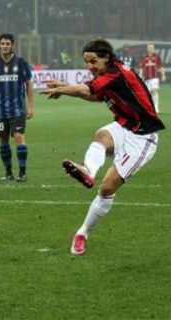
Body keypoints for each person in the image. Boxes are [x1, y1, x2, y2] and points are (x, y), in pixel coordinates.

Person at [40, 39, 165, 255]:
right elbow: (95, 95)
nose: (89, 66)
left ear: (106, 57)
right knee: (102, 135)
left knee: (107, 189)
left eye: (93, 61)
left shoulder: (116, 72)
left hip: (143, 137)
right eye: (87, 62)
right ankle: (88, 170)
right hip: (123, 126)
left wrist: (64, 89)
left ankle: (83, 232)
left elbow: (87, 89)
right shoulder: (106, 74)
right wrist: (65, 86)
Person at [0, 33, 34, 182]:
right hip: (0, 111)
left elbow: (29, 84)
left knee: (18, 137)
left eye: (7, 44)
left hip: (17, 109)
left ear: (13, 45)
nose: (5, 46)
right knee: (3, 140)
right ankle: (8, 172)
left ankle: (22, 172)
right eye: (2, 44)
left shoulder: (21, 63)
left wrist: (31, 106)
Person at [139, 43, 166, 113]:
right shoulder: (143, 57)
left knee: (154, 91)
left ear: (154, 49)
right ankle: (150, 108)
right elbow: (141, 68)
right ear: (147, 49)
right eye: (149, 48)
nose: (150, 49)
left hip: (154, 77)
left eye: (151, 48)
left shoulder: (157, 57)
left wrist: (163, 75)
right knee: (148, 94)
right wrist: (140, 75)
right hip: (146, 78)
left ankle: (156, 108)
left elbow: (161, 67)